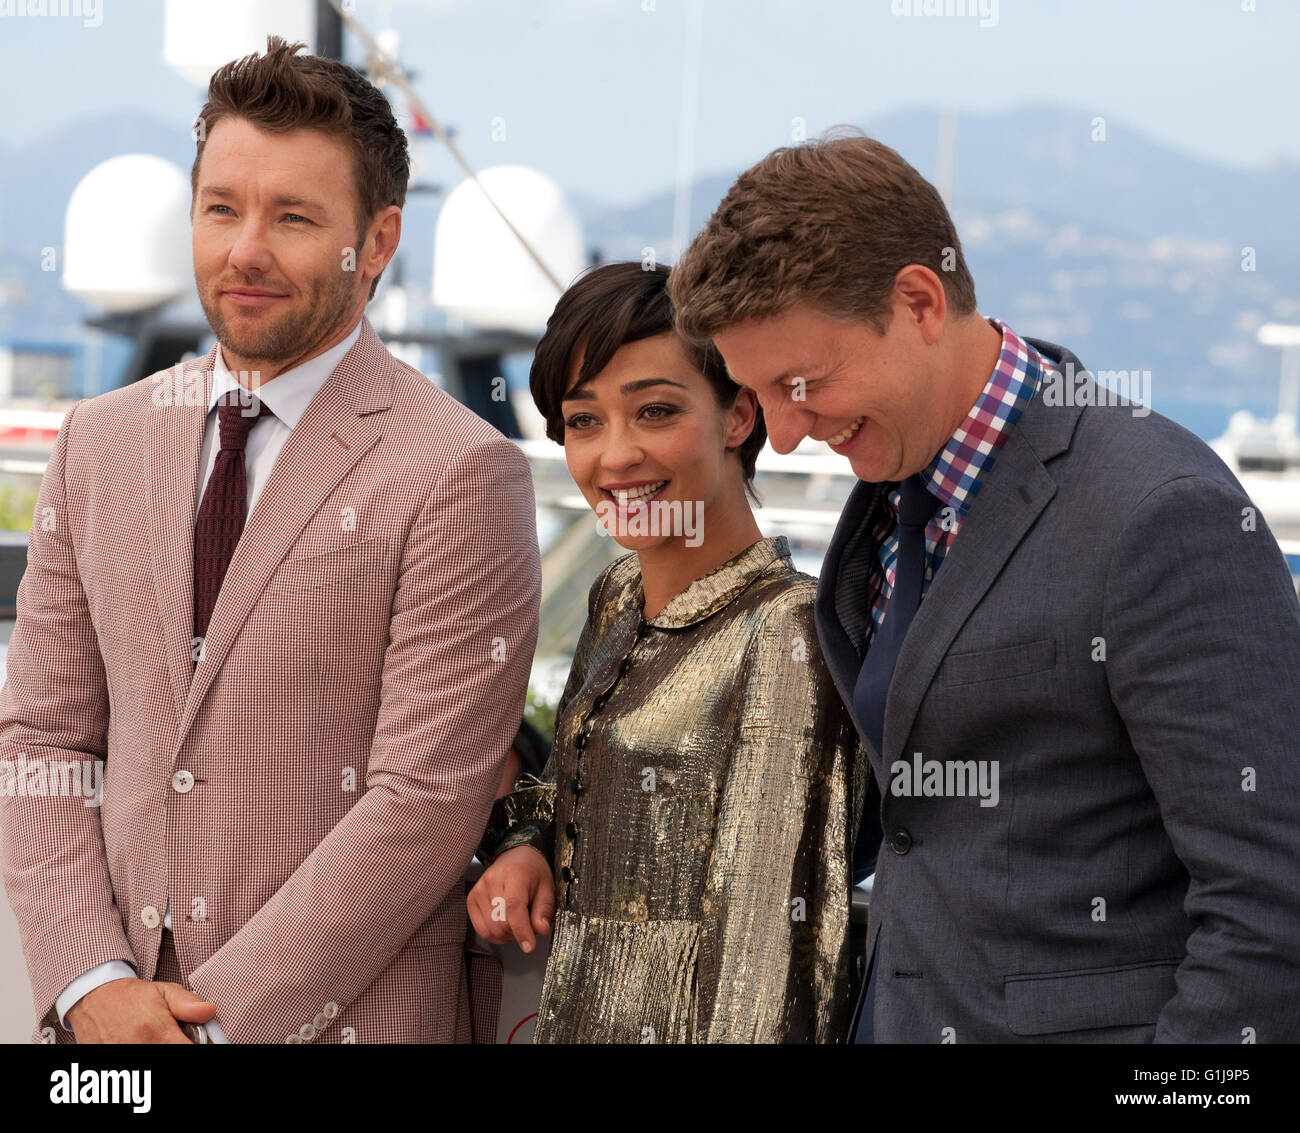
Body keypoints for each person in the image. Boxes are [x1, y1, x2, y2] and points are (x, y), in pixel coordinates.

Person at [667, 128, 1300, 1043]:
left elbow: (1274, 905)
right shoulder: (889, 496)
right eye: (761, 394)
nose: (789, 432)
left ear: (919, 301)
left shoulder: (1161, 509)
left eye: (803, 382)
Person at [0, 36, 540, 1044]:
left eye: (293, 217)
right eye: (221, 208)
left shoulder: (460, 470)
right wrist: (91, 981)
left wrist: (207, 1029)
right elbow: (42, 739)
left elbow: (423, 803)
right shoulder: (96, 443)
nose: (245, 249)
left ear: (375, 243)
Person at [467, 261, 868, 1043]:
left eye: (654, 411)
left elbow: (770, 963)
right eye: (584, 421)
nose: (614, 455)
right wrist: (526, 845)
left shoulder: (788, 630)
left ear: (739, 415)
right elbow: (566, 785)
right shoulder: (617, 592)